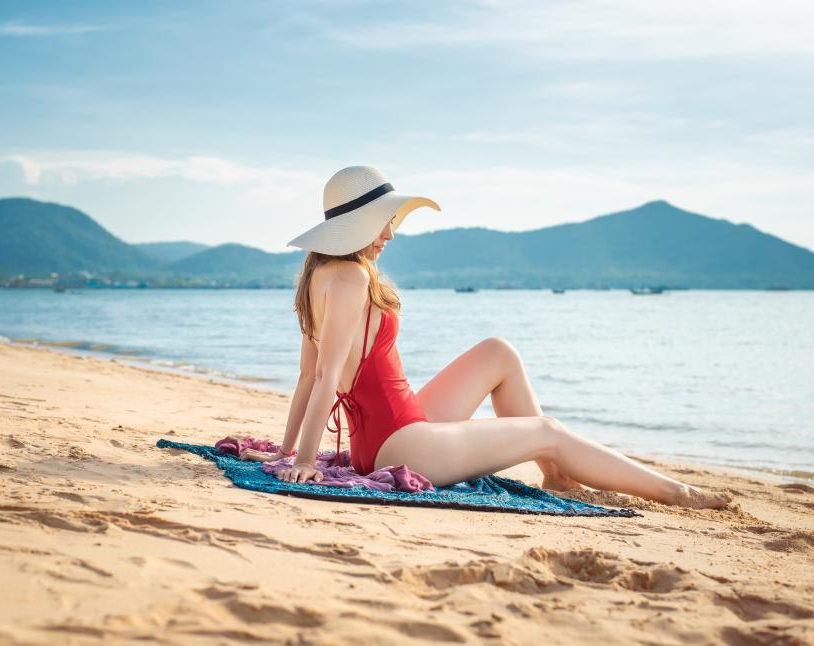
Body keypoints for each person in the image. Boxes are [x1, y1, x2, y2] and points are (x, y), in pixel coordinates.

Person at [241, 165, 732, 509]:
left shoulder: (319, 276)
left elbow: (306, 377)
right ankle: (676, 493)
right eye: (386, 221)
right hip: (403, 444)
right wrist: (305, 461)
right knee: (549, 430)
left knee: (498, 352)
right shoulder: (352, 278)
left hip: (397, 426)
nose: (391, 232)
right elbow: (323, 376)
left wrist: (288, 452)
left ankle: (558, 476)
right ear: (362, 223)